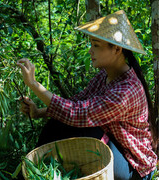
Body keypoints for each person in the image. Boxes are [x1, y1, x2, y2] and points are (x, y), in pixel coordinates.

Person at [16, 10, 158, 179]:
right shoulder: (104, 76)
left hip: (133, 168)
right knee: (58, 123)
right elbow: (77, 102)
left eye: (96, 45)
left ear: (117, 49)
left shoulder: (126, 91)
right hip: (115, 149)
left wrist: (34, 85)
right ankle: (31, 173)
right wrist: (39, 112)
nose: (91, 51)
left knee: (88, 132)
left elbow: (79, 114)